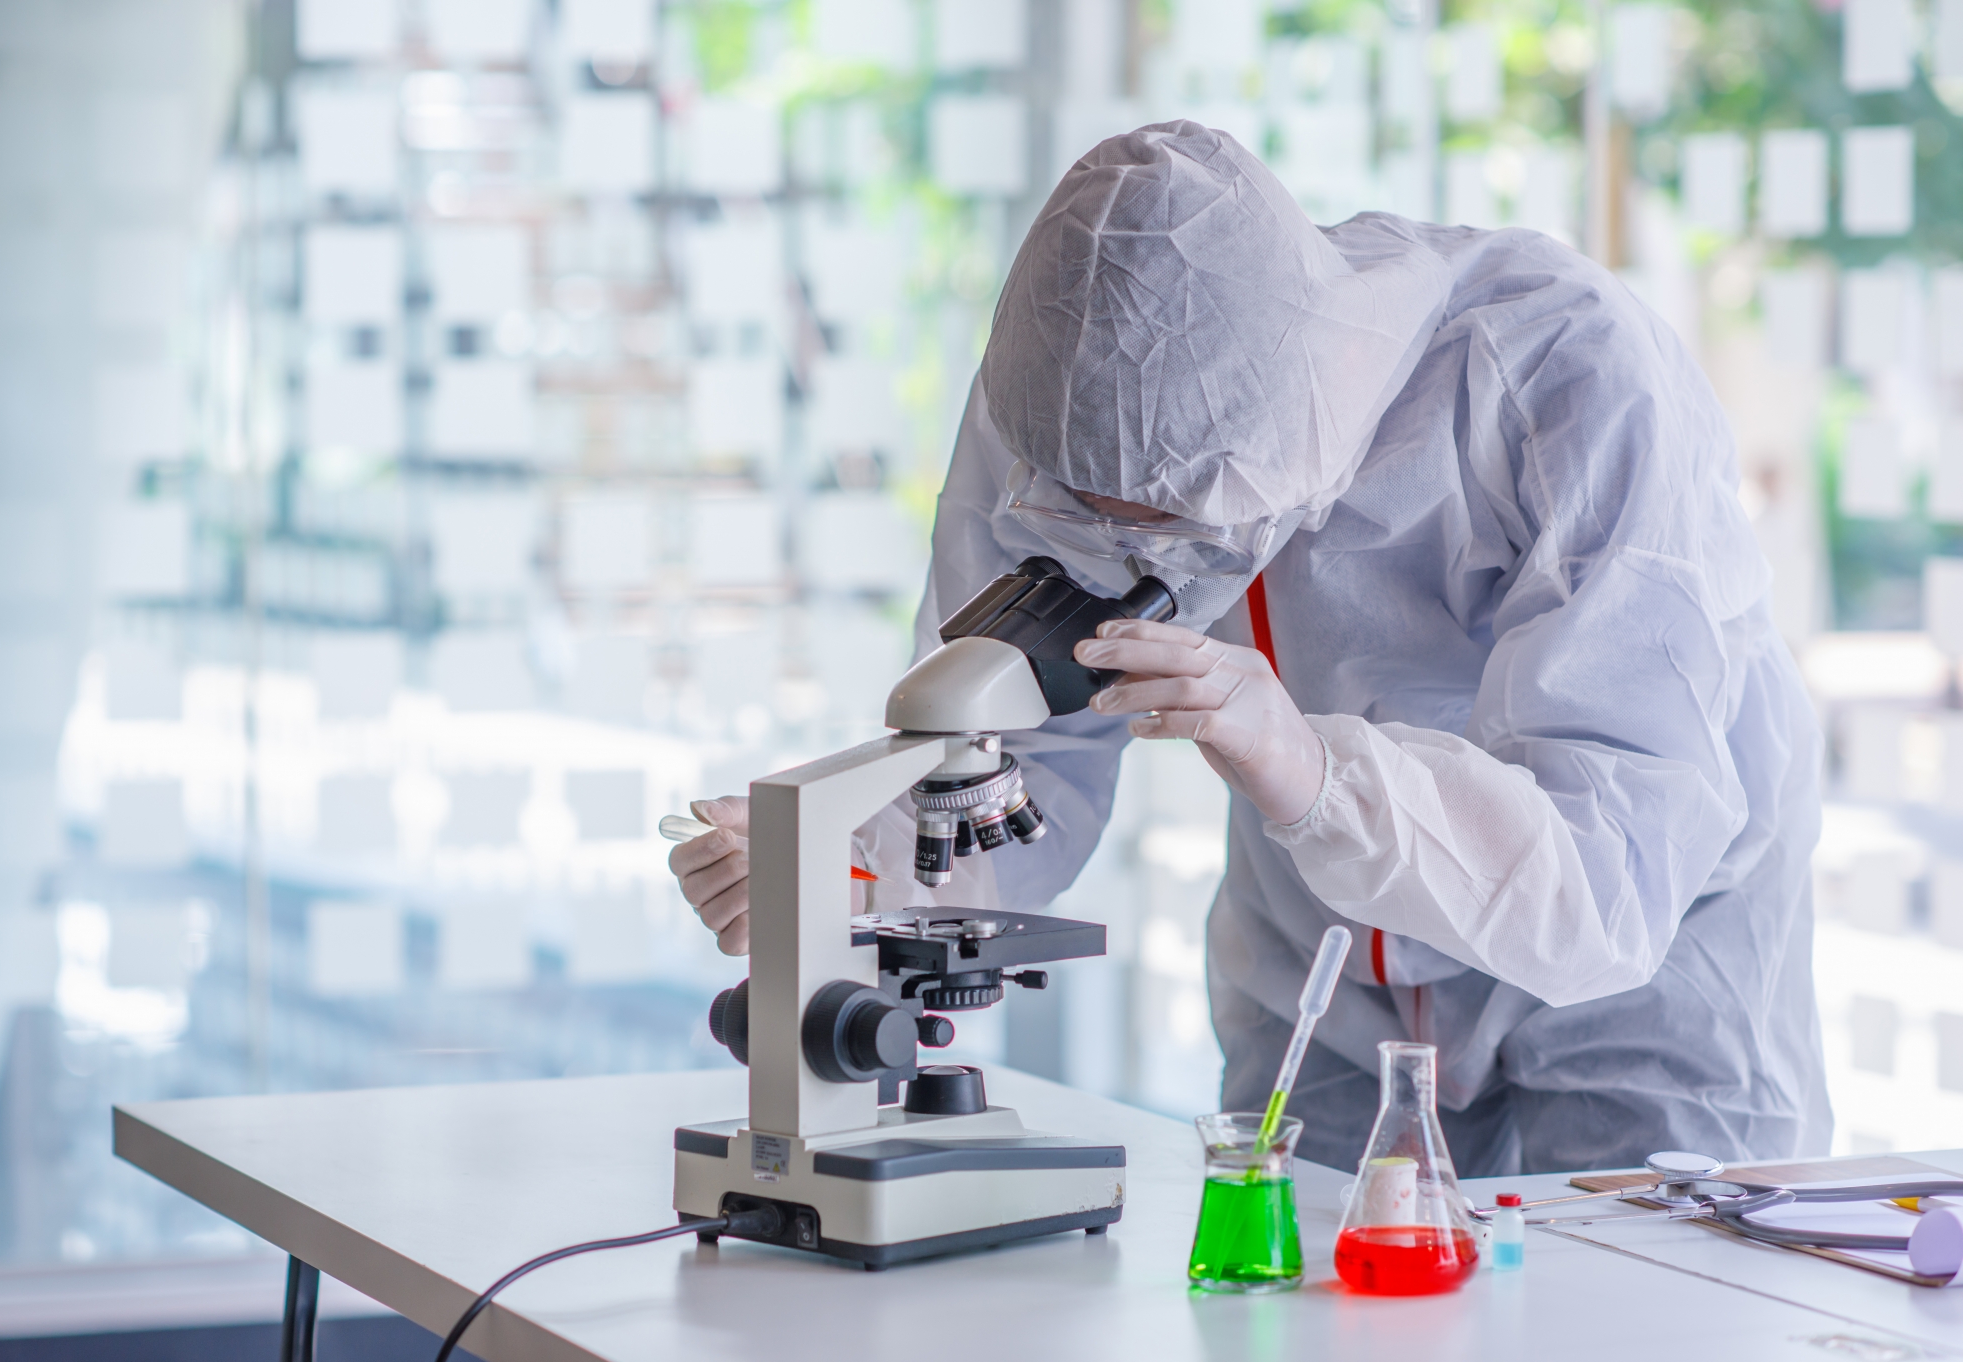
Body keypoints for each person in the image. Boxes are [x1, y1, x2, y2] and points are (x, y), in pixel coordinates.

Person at [670, 121, 1830, 1176]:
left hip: (1648, 973)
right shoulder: (1055, 398)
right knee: (1316, 1355)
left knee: (1639, 1353)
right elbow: (1016, 769)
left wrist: (1311, 767)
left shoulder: (1560, 372)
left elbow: (1606, 879)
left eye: (1164, 525)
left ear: (1286, 438)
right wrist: (840, 877)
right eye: (1085, 512)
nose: (1119, 559)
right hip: (1319, 962)